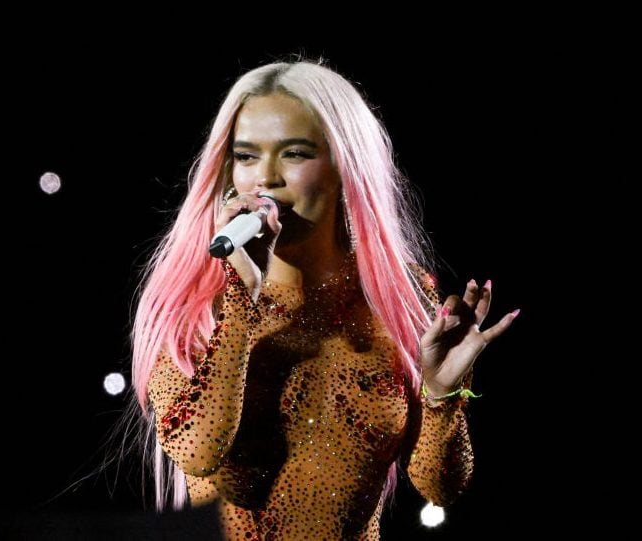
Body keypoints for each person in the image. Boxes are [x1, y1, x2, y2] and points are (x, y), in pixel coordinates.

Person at [129, 59, 518, 540]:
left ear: (344, 165)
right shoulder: (194, 302)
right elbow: (198, 450)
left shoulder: (397, 293)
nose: (264, 180)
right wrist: (240, 298)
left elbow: (440, 487)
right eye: (246, 157)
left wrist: (442, 395)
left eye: (293, 153)